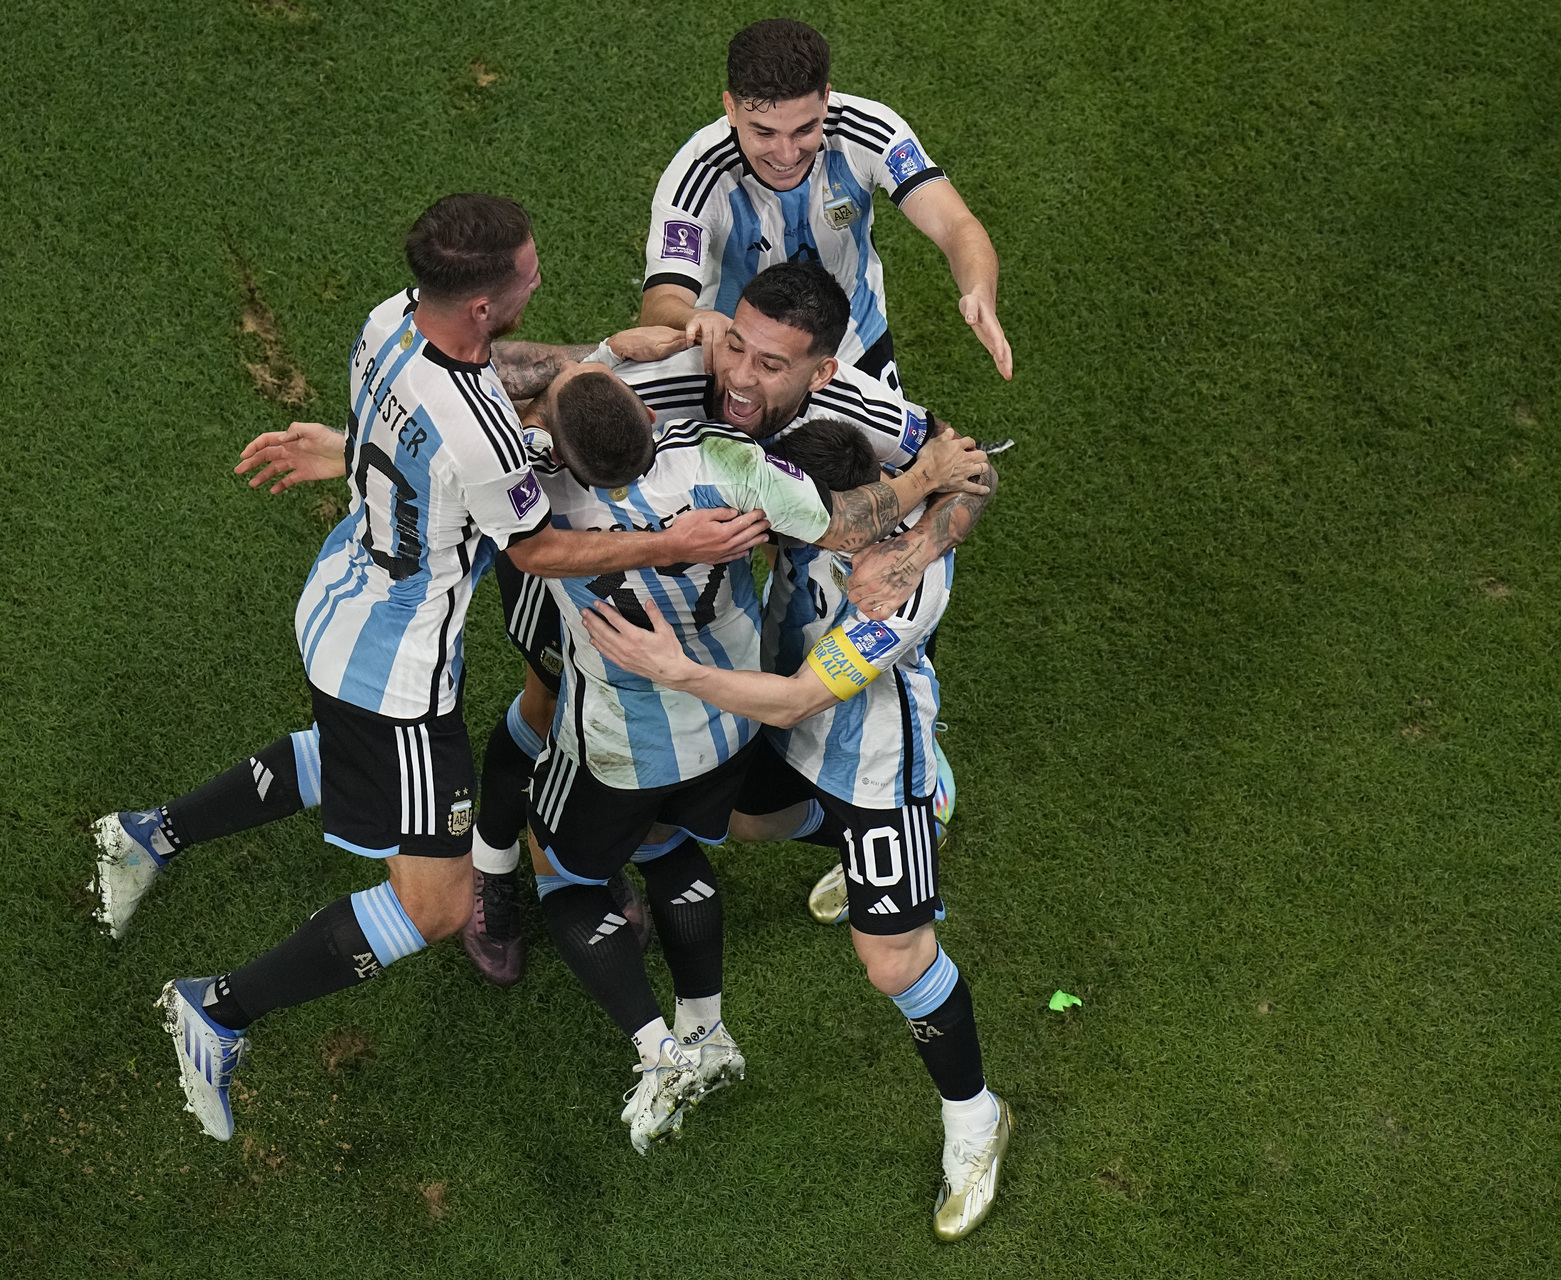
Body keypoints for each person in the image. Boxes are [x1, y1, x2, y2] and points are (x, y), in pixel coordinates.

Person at [147, 193, 769, 1144]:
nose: (539, 278)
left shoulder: (389, 320)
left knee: (347, 765)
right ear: (481, 304)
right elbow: (538, 548)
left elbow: (429, 433)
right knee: (433, 907)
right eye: (528, 272)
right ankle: (217, 1011)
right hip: (395, 679)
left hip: (342, 599)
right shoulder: (482, 431)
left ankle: (146, 836)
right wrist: (672, 542)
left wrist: (603, 353)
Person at [519, 366, 989, 1154]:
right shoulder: (777, 471)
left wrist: (677, 671)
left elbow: (801, 698)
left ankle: (973, 1118)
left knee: (892, 965)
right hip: (779, 729)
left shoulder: (902, 585)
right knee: (739, 817)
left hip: (871, 764)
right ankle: (835, 853)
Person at [640, 18, 1012, 386]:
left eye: (805, 129)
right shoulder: (696, 177)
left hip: (852, 345)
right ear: (731, 109)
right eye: (764, 133)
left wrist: (979, 290)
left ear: (826, 99)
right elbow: (662, 299)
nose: (786, 155)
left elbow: (954, 224)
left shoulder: (869, 132)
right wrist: (692, 318)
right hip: (741, 356)